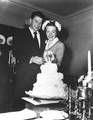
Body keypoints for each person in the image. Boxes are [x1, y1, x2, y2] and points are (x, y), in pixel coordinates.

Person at [13, 11, 46, 109]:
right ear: (30, 20)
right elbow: (15, 52)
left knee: (35, 107)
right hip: (23, 76)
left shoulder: (44, 36)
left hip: (39, 78)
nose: (38, 25)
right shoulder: (20, 33)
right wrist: (31, 59)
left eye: (40, 23)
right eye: (36, 21)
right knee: (19, 105)